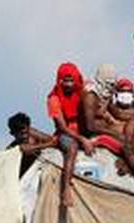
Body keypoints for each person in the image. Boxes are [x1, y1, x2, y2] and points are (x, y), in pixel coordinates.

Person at [48, 62, 97, 207]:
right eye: (65, 80)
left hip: (84, 130)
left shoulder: (82, 92)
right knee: (72, 148)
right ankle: (65, 190)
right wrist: (82, 139)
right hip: (66, 133)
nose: (69, 84)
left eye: (71, 79)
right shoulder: (54, 99)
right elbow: (62, 126)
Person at [7, 112, 56, 177]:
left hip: (43, 166)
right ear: (13, 133)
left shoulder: (34, 134)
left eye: (26, 132)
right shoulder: (12, 149)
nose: (25, 136)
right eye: (21, 134)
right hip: (26, 175)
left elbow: (54, 141)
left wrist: (35, 147)